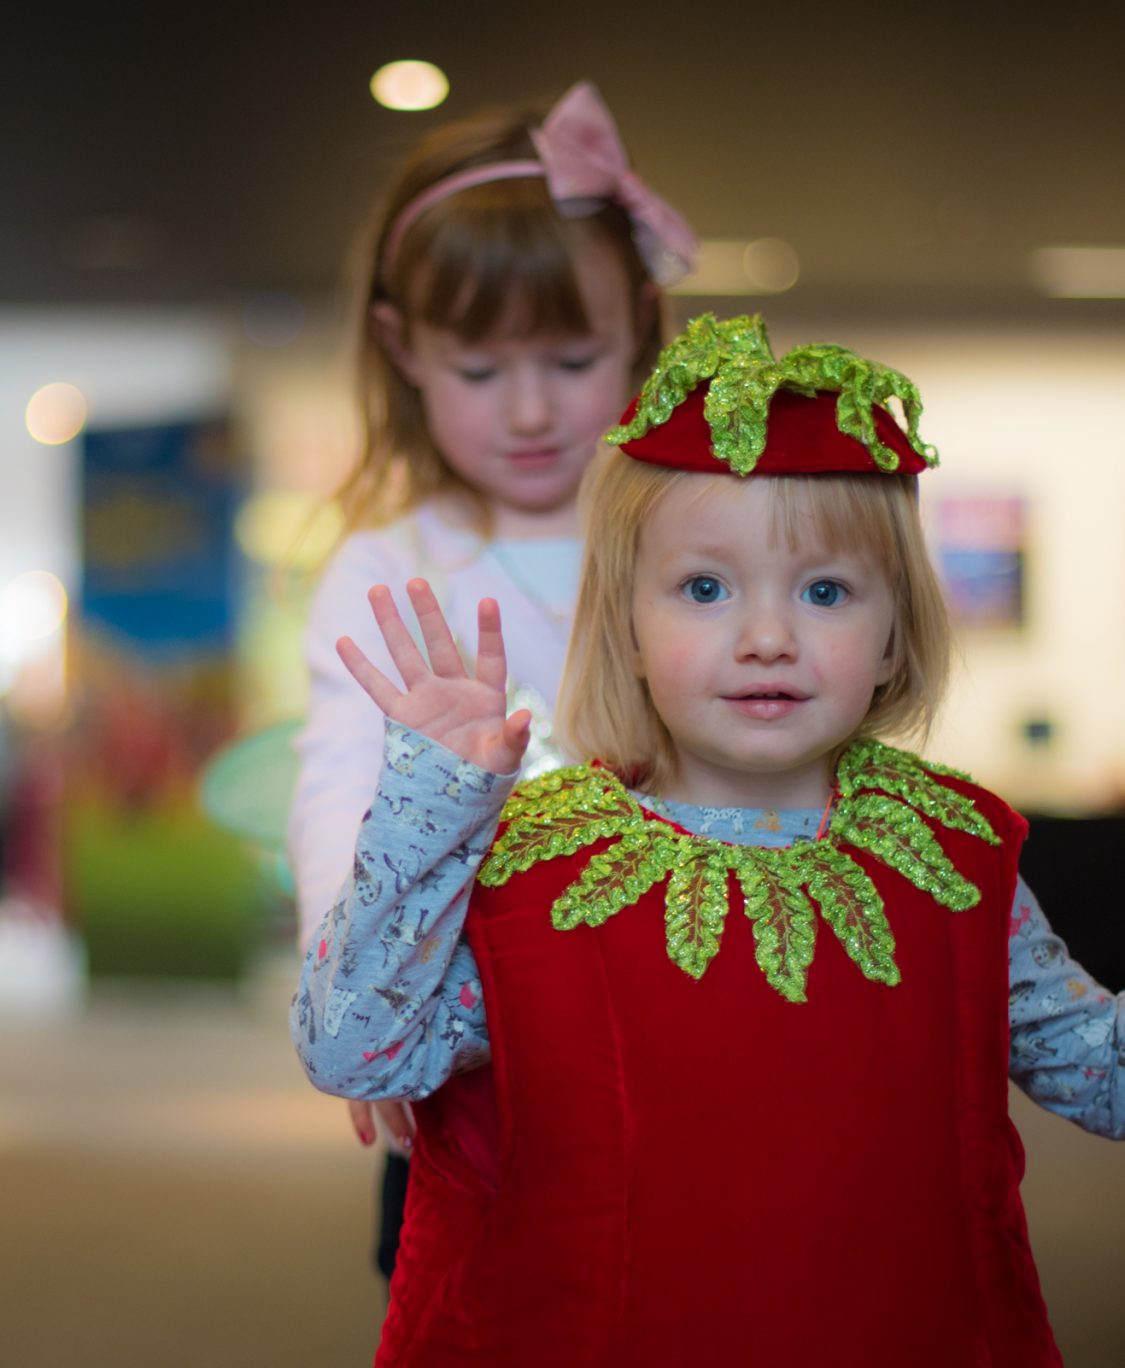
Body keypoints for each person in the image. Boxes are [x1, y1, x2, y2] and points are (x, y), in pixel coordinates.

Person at [293, 313, 1123, 1364]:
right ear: (626, 629)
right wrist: (430, 809)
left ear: (894, 633)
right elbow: (355, 1047)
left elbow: (1099, 1068)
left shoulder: (953, 856)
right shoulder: (535, 871)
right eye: (704, 588)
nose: (767, 635)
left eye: (825, 592)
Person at [286, 80, 696, 1280]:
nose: (529, 410)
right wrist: (346, 979)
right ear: (404, 349)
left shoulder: (693, 531)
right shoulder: (385, 564)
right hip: (474, 1038)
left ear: (644, 326)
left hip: (682, 1020)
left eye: (572, 358)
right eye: (479, 370)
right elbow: (340, 794)